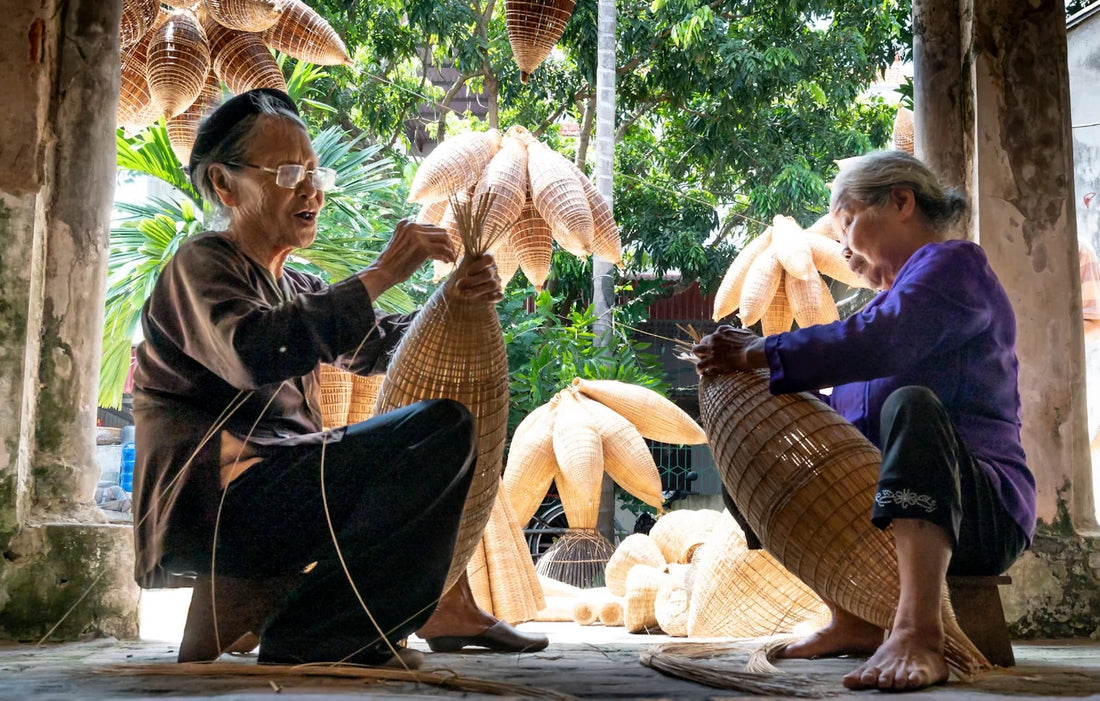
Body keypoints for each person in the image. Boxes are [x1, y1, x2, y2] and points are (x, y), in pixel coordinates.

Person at [132, 88, 544, 667]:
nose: (311, 189)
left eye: (313, 171)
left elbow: (379, 345)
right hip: (222, 505)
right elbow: (255, 352)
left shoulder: (295, 286)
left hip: (277, 493)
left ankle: (364, 616)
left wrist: (454, 305)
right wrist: (382, 272)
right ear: (225, 185)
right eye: (288, 172)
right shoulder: (200, 265)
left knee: (446, 434)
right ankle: (317, 634)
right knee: (437, 430)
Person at [693, 150, 1035, 692]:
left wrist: (762, 350)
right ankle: (851, 617)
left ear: (901, 201)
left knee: (913, 407)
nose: (845, 252)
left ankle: (919, 630)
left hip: (980, 511)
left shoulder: (953, 267)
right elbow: (838, 429)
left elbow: (884, 341)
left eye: (847, 224)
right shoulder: (877, 317)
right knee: (755, 436)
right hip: (882, 523)